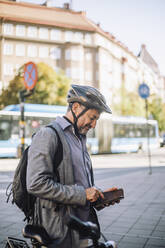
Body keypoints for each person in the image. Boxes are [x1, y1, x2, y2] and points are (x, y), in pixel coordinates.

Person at [27, 84, 117, 248]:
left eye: (97, 119)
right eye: (92, 117)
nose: (94, 124)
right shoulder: (48, 135)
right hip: (59, 229)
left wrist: (98, 196)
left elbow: (77, 182)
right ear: (75, 108)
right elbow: (36, 184)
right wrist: (83, 194)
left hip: (82, 227)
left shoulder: (80, 139)